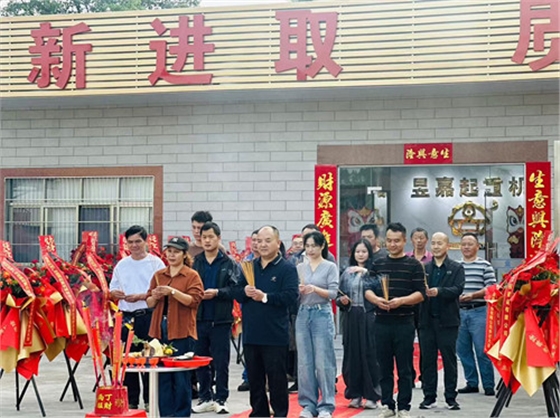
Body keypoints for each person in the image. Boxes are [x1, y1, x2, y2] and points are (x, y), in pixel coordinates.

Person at [236, 225, 299, 418]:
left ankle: (280, 414)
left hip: (274, 335)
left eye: (268, 240)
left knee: (277, 380)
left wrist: (265, 297)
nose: (262, 245)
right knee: (255, 380)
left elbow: (291, 296)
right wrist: (244, 292)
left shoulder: (286, 268)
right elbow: (236, 292)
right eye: (259, 241)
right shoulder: (249, 266)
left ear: (278, 243)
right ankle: (258, 413)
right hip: (251, 333)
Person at [364, 222, 425, 418]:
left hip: (404, 322)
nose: (393, 244)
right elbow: (367, 289)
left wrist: (402, 301)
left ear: (405, 241)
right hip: (381, 322)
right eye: (389, 241)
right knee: (384, 367)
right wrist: (377, 300)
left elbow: (421, 294)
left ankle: (404, 407)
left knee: (405, 367)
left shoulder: (414, 265)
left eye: (397, 241)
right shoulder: (378, 263)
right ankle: (387, 404)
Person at [146, 237, 204, 417]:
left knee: (180, 376)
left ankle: (181, 414)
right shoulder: (159, 275)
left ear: (184, 255)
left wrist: (172, 291)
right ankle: (166, 414)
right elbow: (149, 302)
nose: (171, 255)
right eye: (169, 251)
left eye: (176, 252)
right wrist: (155, 296)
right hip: (159, 328)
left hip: (181, 329)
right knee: (162, 375)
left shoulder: (191, 275)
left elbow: (194, 301)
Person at [109, 225, 166, 411]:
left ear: (146, 241)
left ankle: (150, 399)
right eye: (130, 242)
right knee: (127, 359)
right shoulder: (122, 264)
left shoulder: (156, 263)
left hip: (148, 315)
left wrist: (141, 296)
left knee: (150, 357)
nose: (134, 245)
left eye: (138, 241)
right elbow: (112, 288)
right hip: (126, 316)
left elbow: (161, 291)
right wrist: (115, 293)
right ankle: (131, 400)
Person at [192, 222, 241, 414]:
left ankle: (221, 398)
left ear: (218, 238)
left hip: (221, 319)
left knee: (221, 362)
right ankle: (205, 397)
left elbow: (236, 290)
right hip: (199, 319)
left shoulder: (229, 263)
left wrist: (218, 292)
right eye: (204, 237)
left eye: (211, 237)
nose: (207, 241)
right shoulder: (196, 262)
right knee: (201, 360)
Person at [418, 232, 464, 411]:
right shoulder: (425, 268)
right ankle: (429, 397)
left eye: (440, 243)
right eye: (434, 243)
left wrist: (439, 291)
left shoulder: (456, 268)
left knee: (449, 360)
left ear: (447, 246)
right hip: (426, 321)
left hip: (448, 321)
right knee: (427, 360)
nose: (436, 246)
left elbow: (457, 289)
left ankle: (451, 397)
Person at [296, 231, 339, 418]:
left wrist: (314, 289)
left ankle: (326, 405)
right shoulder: (300, 267)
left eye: (314, 245)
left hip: (322, 312)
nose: (310, 249)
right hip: (303, 313)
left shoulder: (330, 266)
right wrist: (298, 290)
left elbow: (333, 293)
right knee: (304, 362)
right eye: (307, 246)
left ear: (322, 246)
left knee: (323, 361)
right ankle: (308, 404)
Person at [336, 239, 381, 410]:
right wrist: (342, 300)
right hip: (351, 316)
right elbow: (338, 295)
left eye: (364, 251)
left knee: (370, 354)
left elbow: (380, 288)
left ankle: (372, 395)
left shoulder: (374, 271)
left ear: (369, 253)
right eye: (357, 252)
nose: (360, 255)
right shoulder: (347, 273)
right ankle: (354, 394)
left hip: (368, 315)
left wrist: (366, 272)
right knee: (351, 355)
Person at [457, 233, 497, 396]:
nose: (466, 247)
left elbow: (492, 288)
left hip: (479, 311)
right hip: (459, 312)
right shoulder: (456, 266)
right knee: (462, 350)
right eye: (464, 244)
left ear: (477, 246)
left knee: (482, 350)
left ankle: (488, 384)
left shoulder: (485, 265)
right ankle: (471, 382)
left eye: (470, 244)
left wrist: (473, 295)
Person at [237, 229, 260, 393]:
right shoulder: (246, 263)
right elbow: (237, 288)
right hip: (249, 309)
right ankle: (248, 377)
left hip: (266, 309)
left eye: (260, 240)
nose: (257, 244)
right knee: (249, 345)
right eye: (254, 241)